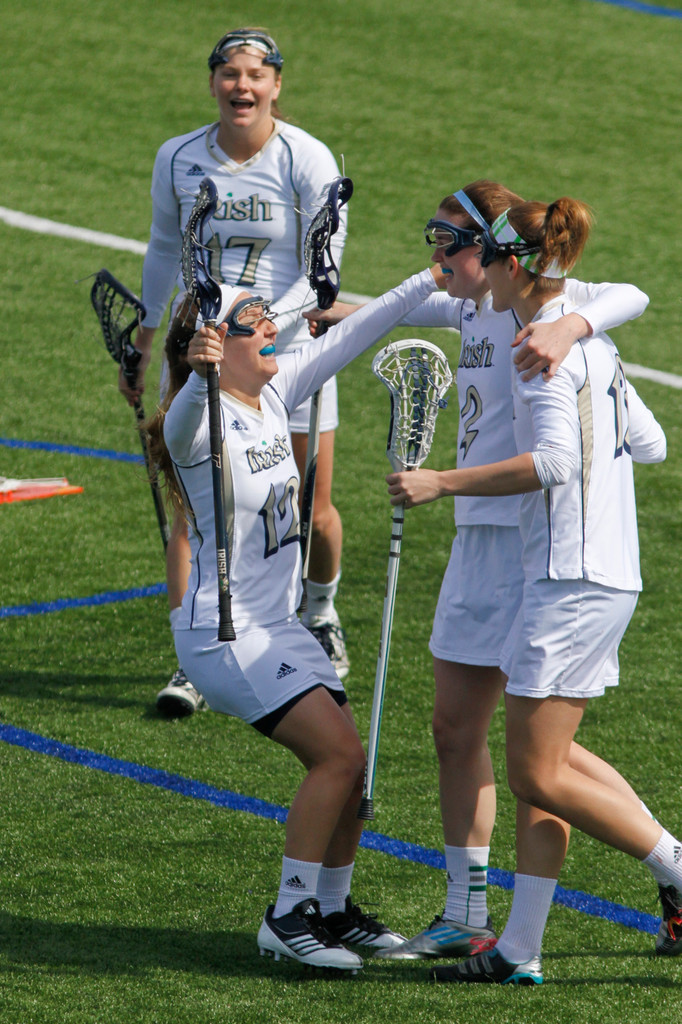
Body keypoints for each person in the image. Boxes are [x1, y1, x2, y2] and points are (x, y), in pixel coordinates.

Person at [307, 180, 665, 966]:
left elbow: (628, 295)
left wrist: (573, 326)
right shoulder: (473, 301)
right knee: (456, 730)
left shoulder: (551, 318)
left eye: (446, 241)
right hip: (482, 538)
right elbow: (407, 307)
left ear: (492, 248)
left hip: (537, 547)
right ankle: (469, 912)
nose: (434, 258)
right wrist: (337, 317)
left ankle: (656, 868)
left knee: (542, 756)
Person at [146, 268, 447, 970]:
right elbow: (186, 416)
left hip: (277, 625)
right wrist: (198, 372)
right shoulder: (202, 418)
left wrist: (425, 278)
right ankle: (288, 915)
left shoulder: (275, 392)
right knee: (335, 757)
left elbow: (359, 328)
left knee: (355, 765)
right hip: (224, 635)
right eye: (260, 322)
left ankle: (334, 909)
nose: (277, 328)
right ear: (220, 344)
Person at [121, 27, 350, 717]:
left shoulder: (307, 160)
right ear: (213, 82)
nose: (241, 86)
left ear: (277, 84)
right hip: (203, 354)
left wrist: (256, 323)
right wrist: (145, 339)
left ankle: (319, 611)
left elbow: (324, 279)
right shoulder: (178, 159)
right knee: (194, 508)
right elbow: (164, 249)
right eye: (229, 73)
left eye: (256, 74)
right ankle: (198, 648)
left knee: (312, 504)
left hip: (288, 352)